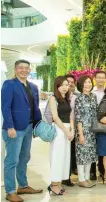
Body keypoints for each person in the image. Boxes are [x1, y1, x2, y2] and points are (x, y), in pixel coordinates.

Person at [2, 60, 43, 202]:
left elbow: (35, 107)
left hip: (28, 127)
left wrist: (37, 126)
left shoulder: (33, 86)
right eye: (21, 68)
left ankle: (23, 185)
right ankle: (10, 191)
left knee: (24, 158)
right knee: (12, 160)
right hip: (15, 128)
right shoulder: (9, 84)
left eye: (26, 68)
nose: (24, 70)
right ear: (15, 69)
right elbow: (5, 108)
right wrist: (10, 126)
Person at [47, 76, 75, 196]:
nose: (65, 87)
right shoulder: (53, 98)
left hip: (67, 129)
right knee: (57, 157)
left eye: (66, 85)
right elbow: (55, 117)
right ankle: (53, 185)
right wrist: (66, 131)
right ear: (57, 86)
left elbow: (70, 116)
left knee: (64, 157)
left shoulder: (66, 98)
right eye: (62, 85)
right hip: (59, 130)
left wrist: (72, 130)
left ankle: (58, 183)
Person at [74, 76, 98, 189]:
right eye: (85, 83)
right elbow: (78, 118)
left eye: (89, 82)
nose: (88, 84)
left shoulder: (94, 97)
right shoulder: (79, 98)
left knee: (90, 155)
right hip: (82, 131)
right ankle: (81, 179)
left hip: (92, 131)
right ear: (81, 85)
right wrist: (81, 134)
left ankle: (87, 177)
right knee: (81, 155)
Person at [63, 74, 77, 187]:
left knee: (71, 153)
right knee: (62, 153)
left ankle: (67, 177)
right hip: (61, 129)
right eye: (68, 82)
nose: (70, 84)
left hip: (73, 129)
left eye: (72, 82)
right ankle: (60, 177)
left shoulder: (76, 97)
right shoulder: (58, 97)